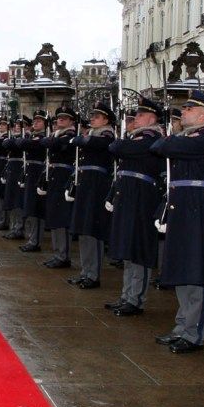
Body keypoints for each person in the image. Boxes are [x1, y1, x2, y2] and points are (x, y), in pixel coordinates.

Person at [150, 90, 204, 354]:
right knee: (183, 268)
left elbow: (165, 146)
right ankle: (182, 325)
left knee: (196, 270)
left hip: (200, 207)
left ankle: (194, 333)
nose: (182, 113)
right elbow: (158, 147)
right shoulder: (188, 136)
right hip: (183, 204)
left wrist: (168, 139)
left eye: (188, 110)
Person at [105, 97, 164, 316]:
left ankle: (136, 298)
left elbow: (119, 147)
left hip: (142, 197)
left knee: (138, 248)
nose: (135, 119)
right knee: (128, 248)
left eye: (139, 115)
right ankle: (126, 294)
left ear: (152, 118)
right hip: (128, 195)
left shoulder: (152, 137)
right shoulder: (137, 137)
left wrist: (124, 141)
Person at [67, 102, 116, 289]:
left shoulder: (106, 134)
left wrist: (80, 139)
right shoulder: (91, 133)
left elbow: (94, 143)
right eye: (92, 116)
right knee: (83, 229)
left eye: (97, 116)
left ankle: (93, 274)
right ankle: (85, 271)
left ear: (106, 120)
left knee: (92, 229)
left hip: (97, 186)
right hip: (86, 184)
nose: (92, 119)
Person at [40, 106, 77, 268]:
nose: (60, 120)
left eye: (64, 118)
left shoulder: (70, 135)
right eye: (58, 118)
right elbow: (47, 143)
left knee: (62, 218)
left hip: (63, 178)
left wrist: (51, 141)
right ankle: (57, 253)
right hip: (54, 178)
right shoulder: (57, 135)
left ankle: (64, 255)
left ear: (71, 121)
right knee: (54, 215)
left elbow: (54, 144)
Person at [16, 111, 48, 252]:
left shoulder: (43, 137)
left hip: (37, 173)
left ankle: (35, 241)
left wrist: (26, 140)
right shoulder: (33, 136)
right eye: (34, 121)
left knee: (36, 209)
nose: (35, 123)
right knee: (29, 207)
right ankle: (31, 238)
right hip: (30, 173)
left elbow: (25, 144)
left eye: (39, 121)